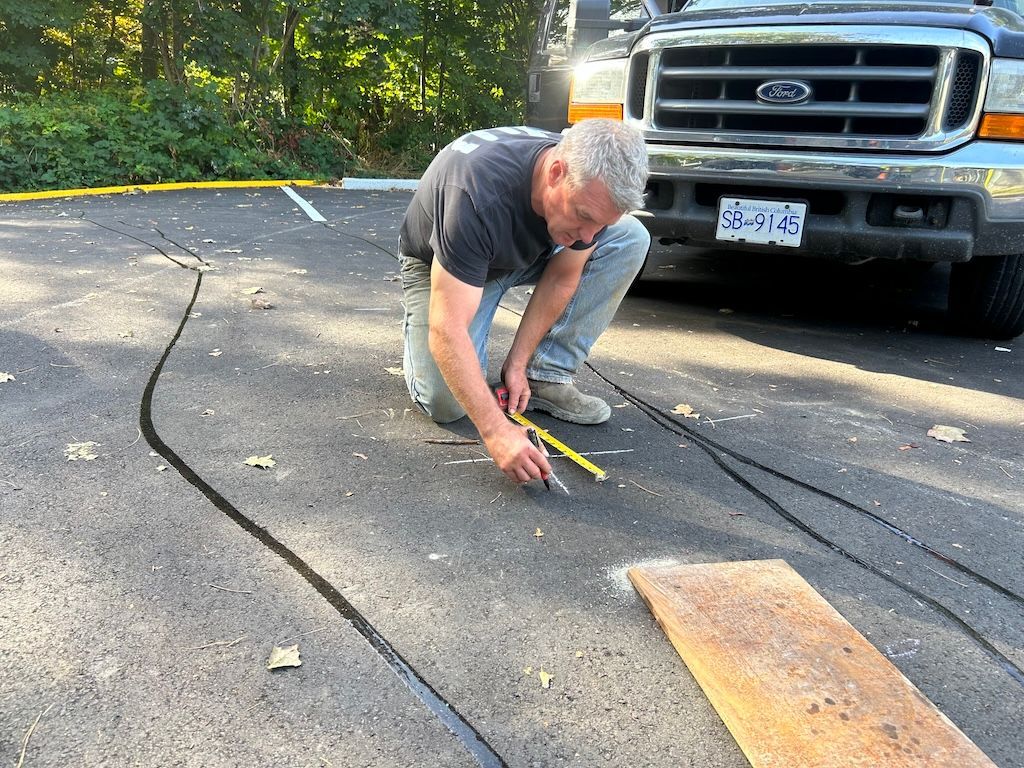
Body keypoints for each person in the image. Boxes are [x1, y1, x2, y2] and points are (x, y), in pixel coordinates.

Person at [398, 119, 650, 484]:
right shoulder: (475, 192)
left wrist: (517, 364)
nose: (588, 236)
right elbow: (447, 329)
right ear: (556, 172)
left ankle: (545, 374)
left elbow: (564, 276)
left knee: (631, 238)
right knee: (446, 403)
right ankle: (418, 331)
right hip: (444, 264)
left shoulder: (591, 190)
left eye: (600, 225)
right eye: (584, 217)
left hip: (523, 250)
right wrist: (496, 431)